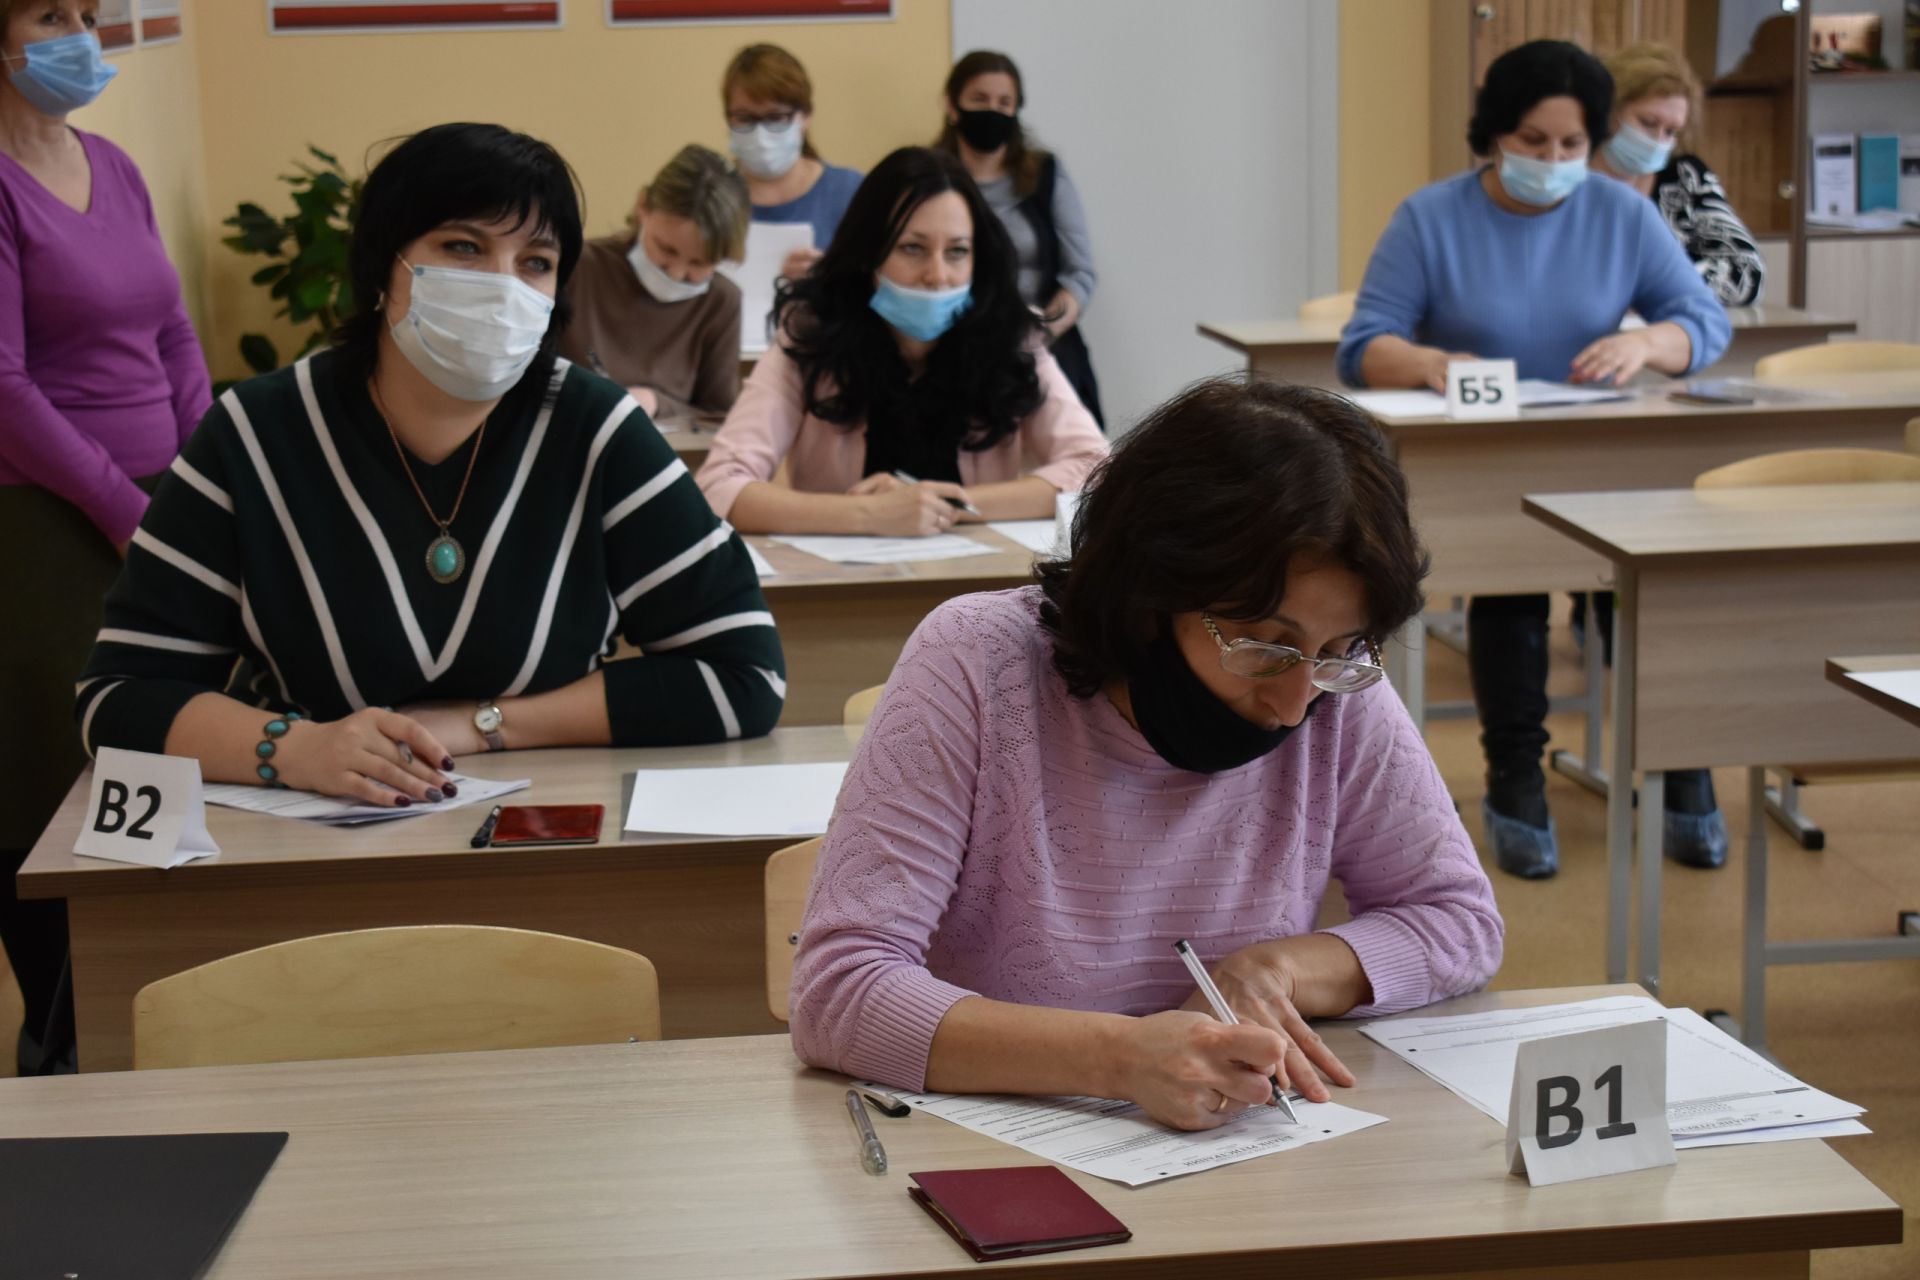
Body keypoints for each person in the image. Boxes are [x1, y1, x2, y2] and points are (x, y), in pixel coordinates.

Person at [788, 378, 1503, 1130]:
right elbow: (840, 992)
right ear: (1151, 595)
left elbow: (1457, 920)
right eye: (1264, 645)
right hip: (980, 1151)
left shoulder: (1334, 687)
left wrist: (1281, 967)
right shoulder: (977, 662)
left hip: (1231, 1153)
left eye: (1339, 648)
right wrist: (1121, 1059)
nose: (1296, 705)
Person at [75, 123, 784, 813]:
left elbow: (745, 674)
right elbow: (119, 697)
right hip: (303, 858)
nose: (501, 285)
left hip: (547, 844)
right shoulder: (253, 435)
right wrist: (293, 749)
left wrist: (479, 725)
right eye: (463, 247)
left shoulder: (596, 430)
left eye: (534, 262)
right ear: (385, 264)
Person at [1336, 40, 1732, 880]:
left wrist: (1650, 343)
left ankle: (1684, 763)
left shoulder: (1622, 214)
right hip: (1493, 460)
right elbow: (1364, 345)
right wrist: (1434, 364)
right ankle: (1515, 778)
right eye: (1533, 142)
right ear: (1493, 135)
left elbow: (1704, 322)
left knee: (1641, 594)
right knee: (1510, 595)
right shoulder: (1431, 217)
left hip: (1605, 453)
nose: (1553, 163)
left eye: (1572, 146)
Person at [2, 0, 211, 1076]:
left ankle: (153, 998)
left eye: (91, 12)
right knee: (49, 778)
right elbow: (4, 388)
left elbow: (173, 331)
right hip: (40, 527)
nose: (81, 33)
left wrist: (203, 481)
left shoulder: (114, 166)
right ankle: (64, 1025)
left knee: (156, 754)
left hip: (151, 511)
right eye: (52, 14)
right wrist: (131, 510)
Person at [695, 146, 1107, 536]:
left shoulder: (1011, 337)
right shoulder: (812, 336)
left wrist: (951, 505)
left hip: (974, 588)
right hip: (845, 591)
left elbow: (1097, 470)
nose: (938, 275)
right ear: (869, 254)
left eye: (958, 251)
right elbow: (719, 485)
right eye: (913, 248)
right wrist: (868, 515)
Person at [933, 50, 1104, 427]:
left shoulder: (1044, 173)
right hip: (952, 345)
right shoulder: (930, 177)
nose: (992, 111)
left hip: (1044, 341)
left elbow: (1080, 273)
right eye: (979, 100)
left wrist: (1043, 331)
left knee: (1080, 456)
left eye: (1004, 103)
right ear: (952, 105)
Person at [557, 144, 749, 422]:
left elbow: (718, 417)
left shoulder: (721, 301)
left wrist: (656, 403)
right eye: (666, 250)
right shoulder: (578, 267)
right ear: (642, 206)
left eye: (699, 263)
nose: (676, 273)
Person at [1595, 42, 1764, 307]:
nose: (1658, 140)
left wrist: (1653, 287)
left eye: (1671, 131)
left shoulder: (1684, 177)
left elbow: (1746, 273)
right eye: (1648, 123)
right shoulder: (1562, 174)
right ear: (1608, 110)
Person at [722, 44, 863, 281]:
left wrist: (831, 280)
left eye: (776, 117)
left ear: (806, 116)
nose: (760, 133)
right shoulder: (709, 198)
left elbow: (882, 286)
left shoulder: (850, 193)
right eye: (744, 118)